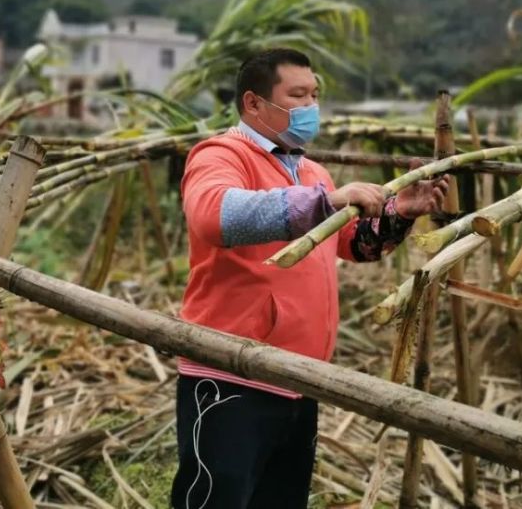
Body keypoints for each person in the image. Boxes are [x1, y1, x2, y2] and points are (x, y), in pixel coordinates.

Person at [171, 48, 449, 509]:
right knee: (215, 500)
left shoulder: (310, 169)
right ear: (254, 104)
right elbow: (213, 216)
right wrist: (324, 200)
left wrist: (401, 211)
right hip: (232, 373)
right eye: (297, 96)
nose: (311, 107)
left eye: (315, 95)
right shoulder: (222, 154)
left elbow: (355, 245)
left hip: (300, 379)